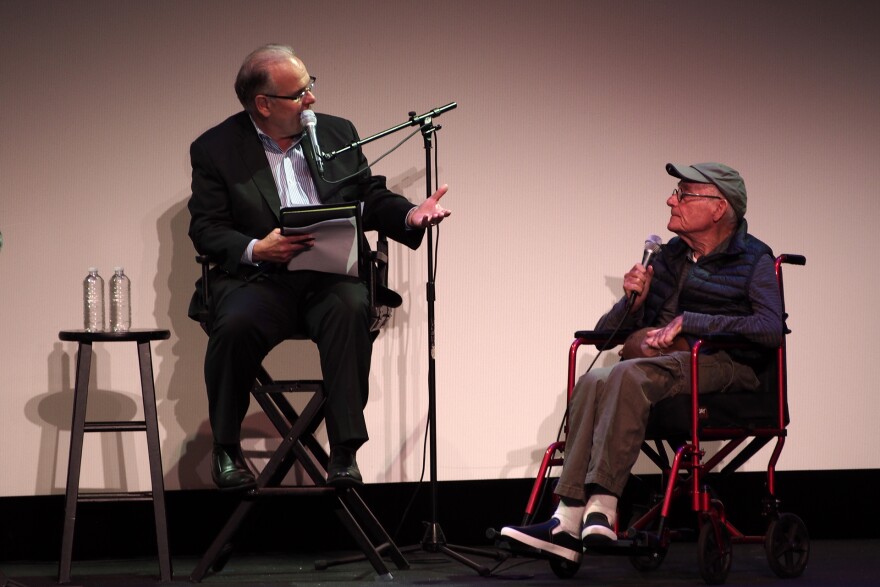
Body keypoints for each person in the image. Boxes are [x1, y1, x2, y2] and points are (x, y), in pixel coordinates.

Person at [187, 44, 450, 490]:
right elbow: (207, 228)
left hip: (329, 276)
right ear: (264, 105)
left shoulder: (334, 133)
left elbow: (368, 195)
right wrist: (256, 247)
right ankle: (227, 448)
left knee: (350, 308)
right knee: (233, 326)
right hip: (261, 280)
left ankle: (344, 452)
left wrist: (409, 215)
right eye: (299, 93)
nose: (311, 99)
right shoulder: (216, 149)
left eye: (311, 86)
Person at [500, 162, 782, 564]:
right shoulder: (670, 257)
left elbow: (771, 328)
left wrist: (694, 321)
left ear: (719, 208)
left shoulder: (753, 258)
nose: (671, 200)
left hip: (723, 363)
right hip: (664, 364)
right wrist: (632, 300)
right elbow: (607, 335)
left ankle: (605, 505)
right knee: (596, 377)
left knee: (628, 374)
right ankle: (566, 518)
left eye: (684, 193)